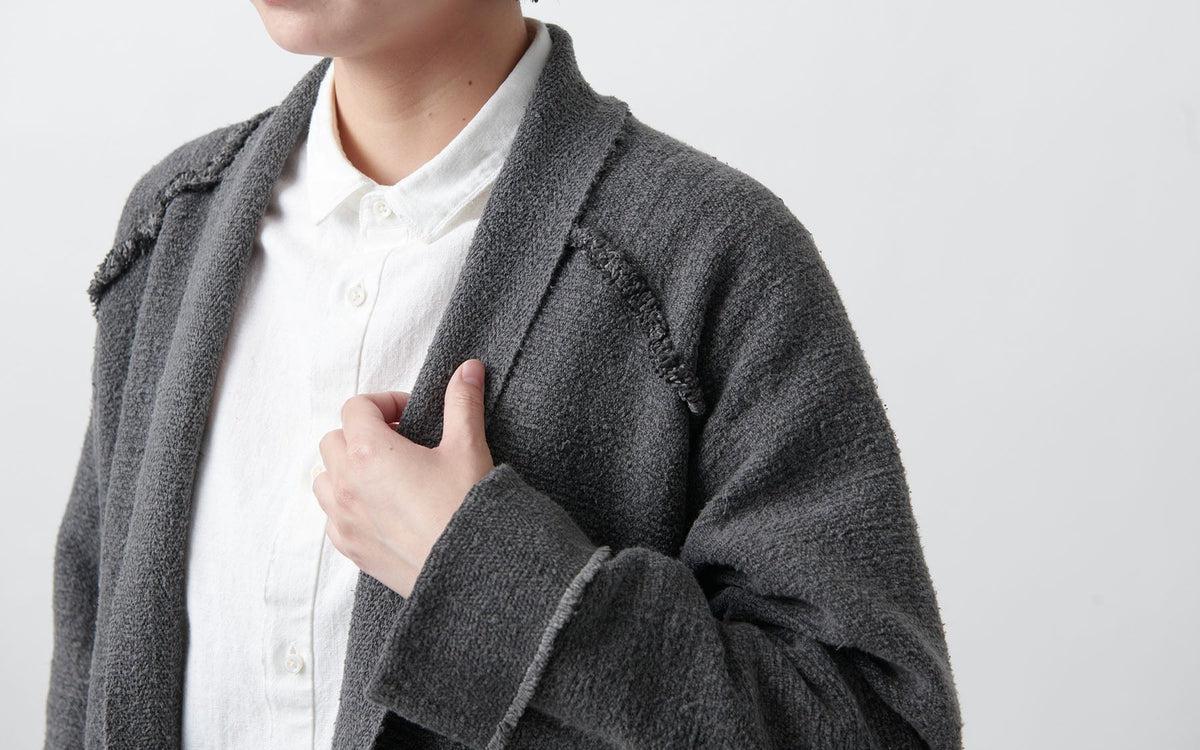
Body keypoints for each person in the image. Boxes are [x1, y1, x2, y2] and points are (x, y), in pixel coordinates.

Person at [44, 2, 963, 748]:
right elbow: (89, 672)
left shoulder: (709, 258)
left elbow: (880, 721)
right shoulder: (176, 228)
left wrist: (496, 581)